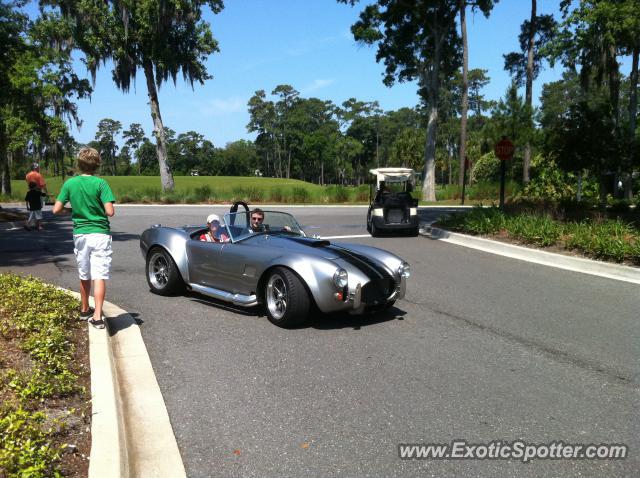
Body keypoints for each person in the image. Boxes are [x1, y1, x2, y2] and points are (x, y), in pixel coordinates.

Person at [53, 148, 116, 329]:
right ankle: (97, 316)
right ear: (97, 164)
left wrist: (73, 210)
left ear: (78, 164)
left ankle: (84, 308)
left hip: (80, 234)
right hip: (100, 234)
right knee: (99, 275)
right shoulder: (101, 184)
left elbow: (56, 209)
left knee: (84, 273)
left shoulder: (70, 184)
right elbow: (110, 211)